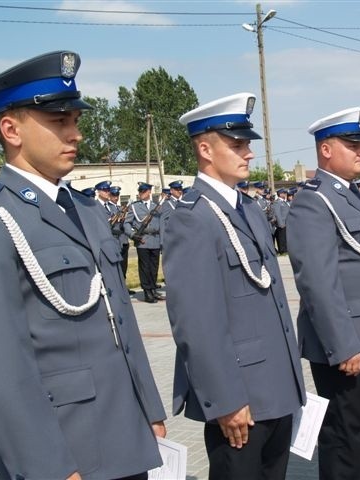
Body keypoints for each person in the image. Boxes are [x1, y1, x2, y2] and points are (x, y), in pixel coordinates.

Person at [0, 50, 166, 480]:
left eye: (75, 120)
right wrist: (49, 468)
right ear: (10, 129)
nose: (75, 134)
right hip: (65, 448)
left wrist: (149, 407)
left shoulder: (86, 209)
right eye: (59, 122)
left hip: (125, 436)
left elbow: (121, 322)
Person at [163, 92, 306, 480]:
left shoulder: (247, 209)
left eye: (247, 144)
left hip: (275, 386)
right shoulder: (192, 218)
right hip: (240, 397)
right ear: (205, 149)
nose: (248, 154)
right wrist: (226, 400)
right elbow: (195, 322)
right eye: (237, 144)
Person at [286, 107, 360, 480]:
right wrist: (343, 345)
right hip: (347, 346)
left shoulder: (356, 195)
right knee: (343, 438)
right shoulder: (314, 200)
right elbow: (317, 282)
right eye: (352, 144)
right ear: (326, 149)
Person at [124, 182, 164, 303]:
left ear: (149, 192)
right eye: (140, 192)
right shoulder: (134, 207)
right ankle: (147, 291)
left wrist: (161, 241)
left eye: (144, 192)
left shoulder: (156, 206)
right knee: (145, 267)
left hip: (155, 239)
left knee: (154, 267)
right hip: (143, 240)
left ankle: (153, 289)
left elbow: (161, 224)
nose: (141, 194)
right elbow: (126, 223)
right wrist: (132, 234)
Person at [109, 185, 131, 282]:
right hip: (114, 238)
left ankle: (124, 284)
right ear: (110, 195)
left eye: (117, 195)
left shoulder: (119, 208)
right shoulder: (107, 208)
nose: (116, 198)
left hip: (123, 238)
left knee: (124, 264)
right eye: (114, 195)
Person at [272, 188, 290, 253]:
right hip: (282, 223)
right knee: (282, 237)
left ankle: (285, 249)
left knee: (285, 237)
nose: (285, 194)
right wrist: (281, 223)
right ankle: (282, 250)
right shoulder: (277, 202)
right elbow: (277, 213)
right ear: (280, 194)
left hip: (286, 222)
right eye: (284, 193)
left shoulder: (284, 202)